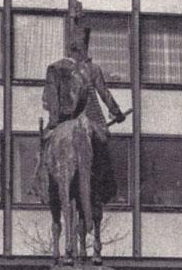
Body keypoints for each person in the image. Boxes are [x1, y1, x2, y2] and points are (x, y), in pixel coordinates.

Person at [42, 27, 127, 205]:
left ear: (70, 48)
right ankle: (105, 190)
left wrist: (53, 123)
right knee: (102, 150)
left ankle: (43, 186)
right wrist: (117, 113)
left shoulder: (54, 68)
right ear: (85, 48)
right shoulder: (93, 69)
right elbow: (104, 94)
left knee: (44, 148)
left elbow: (51, 98)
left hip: (63, 121)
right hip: (90, 118)